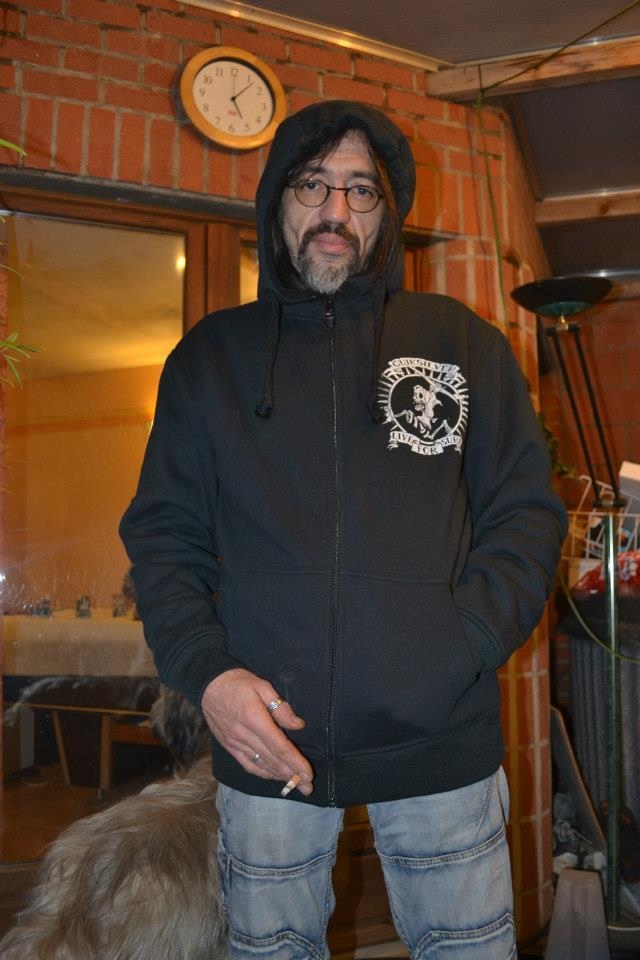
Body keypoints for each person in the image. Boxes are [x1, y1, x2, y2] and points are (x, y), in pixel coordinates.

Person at [120, 100, 567, 959]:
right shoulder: (209, 359)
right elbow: (165, 539)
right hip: (267, 745)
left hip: (441, 745)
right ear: (276, 202)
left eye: (362, 191)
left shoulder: (459, 345)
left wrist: (461, 642)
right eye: (313, 185)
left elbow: (525, 515)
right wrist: (209, 677)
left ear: (385, 216)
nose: (336, 210)